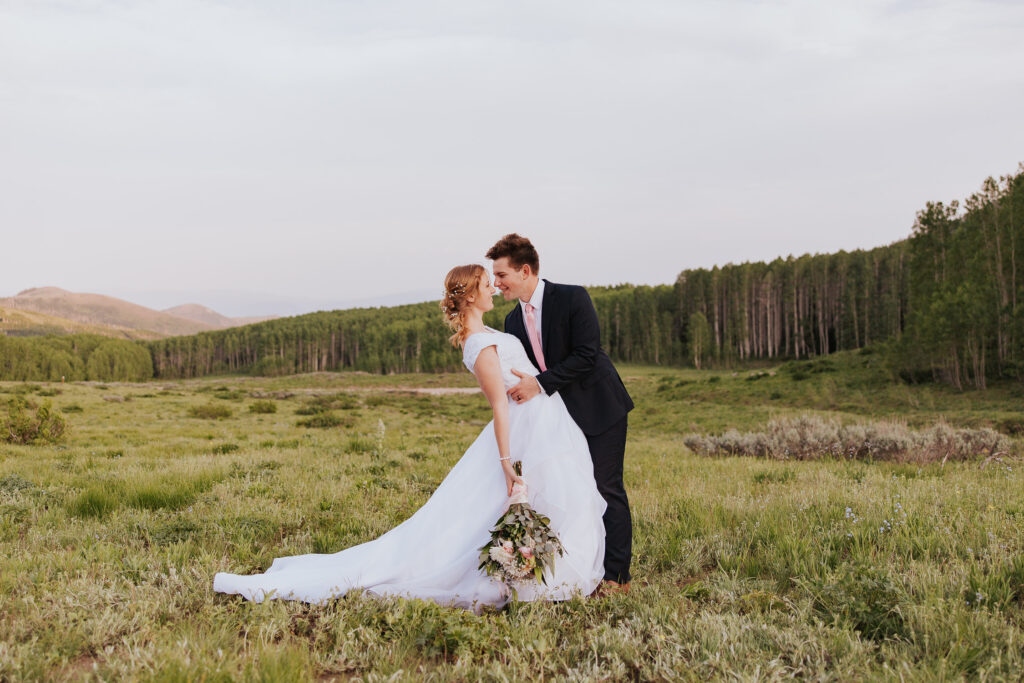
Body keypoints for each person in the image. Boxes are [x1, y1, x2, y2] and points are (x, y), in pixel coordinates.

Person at [213, 265, 606, 611]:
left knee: (559, 494)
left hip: (543, 424)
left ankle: (544, 576)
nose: (493, 289)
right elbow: (500, 409)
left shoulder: (490, 331)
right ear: (469, 294)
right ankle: (526, 577)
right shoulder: (480, 344)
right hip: (520, 430)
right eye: (487, 284)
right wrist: (506, 463)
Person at [487, 234, 634, 595]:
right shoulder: (512, 321)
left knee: (606, 488)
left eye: (502, 274)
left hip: (600, 408)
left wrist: (538, 384)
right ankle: (586, 567)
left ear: (525, 271)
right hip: (558, 420)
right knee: (576, 492)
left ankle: (618, 577)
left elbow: (586, 355)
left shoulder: (572, 297)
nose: (497, 283)